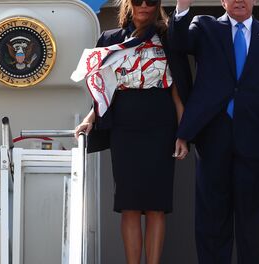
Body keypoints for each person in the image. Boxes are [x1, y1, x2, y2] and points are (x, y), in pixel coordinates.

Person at [168, 0, 259, 263]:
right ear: (223, 1)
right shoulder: (205, 27)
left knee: (250, 225)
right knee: (212, 222)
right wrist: (182, 6)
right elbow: (179, 43)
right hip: (214, 139)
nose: (239, 0)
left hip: (255, 141)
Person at [72, 0, 190, 263]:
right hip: (125, 127)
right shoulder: (110, 39)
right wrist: (90, 118)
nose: (145, 6)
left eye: (151, 1)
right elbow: (104, 88)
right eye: (138, 1)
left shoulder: (168, 37)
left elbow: (177, 90)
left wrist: (184, 133)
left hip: (161, 124)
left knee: (157, 206)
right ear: (129, 4)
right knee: (130, 205)